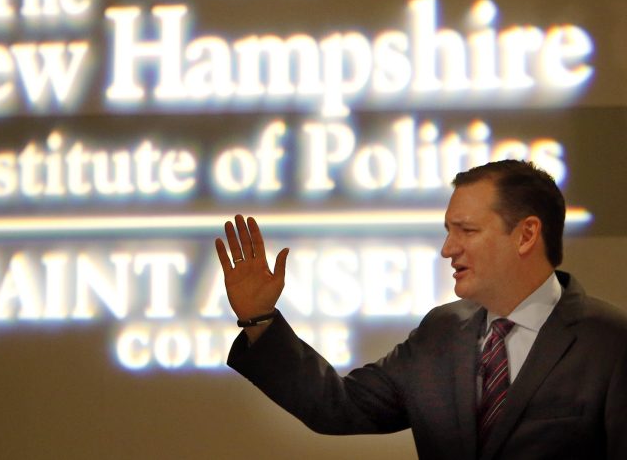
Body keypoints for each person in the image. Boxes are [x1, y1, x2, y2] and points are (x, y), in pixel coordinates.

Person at [214, 160, 627, 460]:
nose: (448, 248)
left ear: (526, 235)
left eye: (466, 230)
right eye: (448, 232)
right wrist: (260, 320)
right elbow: (337, 406)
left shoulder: (610, 342)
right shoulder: (441, 333)